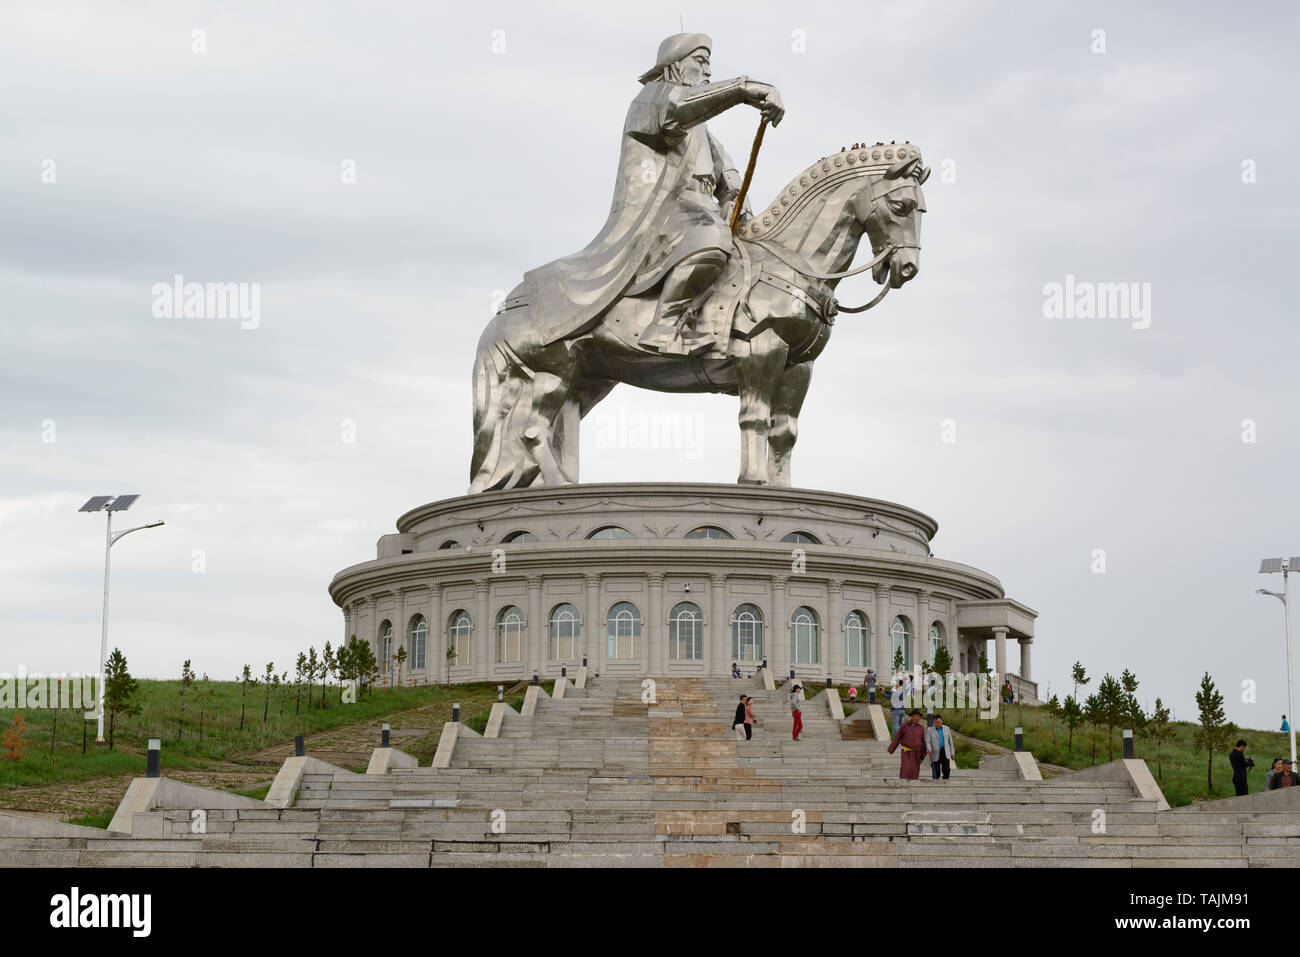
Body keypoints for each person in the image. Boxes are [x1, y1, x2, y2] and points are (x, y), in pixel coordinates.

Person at [886, 710, 928, 779]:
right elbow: (897, 737)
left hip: (917, 753)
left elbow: (923, 741)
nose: (918, 718)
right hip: (906, 752)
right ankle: (903, 784)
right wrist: (891, 749)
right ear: (911, 716)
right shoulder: (904, 726)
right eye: (916, 716)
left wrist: (924, 753)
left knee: (915, 771)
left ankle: (913, 786)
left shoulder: (921, 728)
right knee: (906, 769)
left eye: (919, 716)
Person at [925, 714, 955, 780]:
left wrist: (952, 753)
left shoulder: (946, 728)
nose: (938, 724)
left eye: (939, 722)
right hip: (935, 752)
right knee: (936, 771)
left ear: (941, 721)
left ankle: (945, 783)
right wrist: (929, 748)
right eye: (936, 722)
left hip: (945, 752)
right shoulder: (930, 730)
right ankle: (936, 784)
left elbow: (950, 742)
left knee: (946, 770)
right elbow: (928, 741)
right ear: (933, 722)